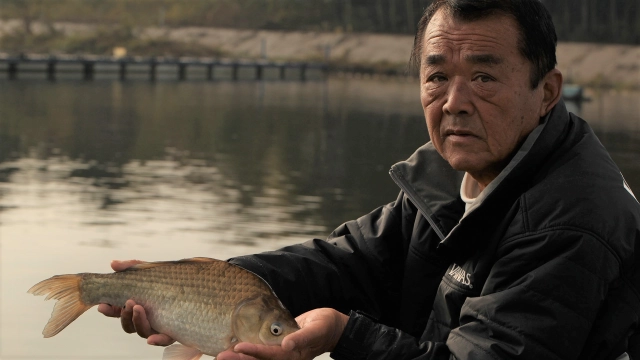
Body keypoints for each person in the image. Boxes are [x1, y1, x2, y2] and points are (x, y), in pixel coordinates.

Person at [99, 0, 640, 358]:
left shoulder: (572, 219)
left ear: (547, 92)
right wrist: (201, 289)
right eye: (436, 77)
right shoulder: (455, 172)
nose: (454, 103)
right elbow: (353, 260)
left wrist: (345, 335)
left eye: (483, 77)